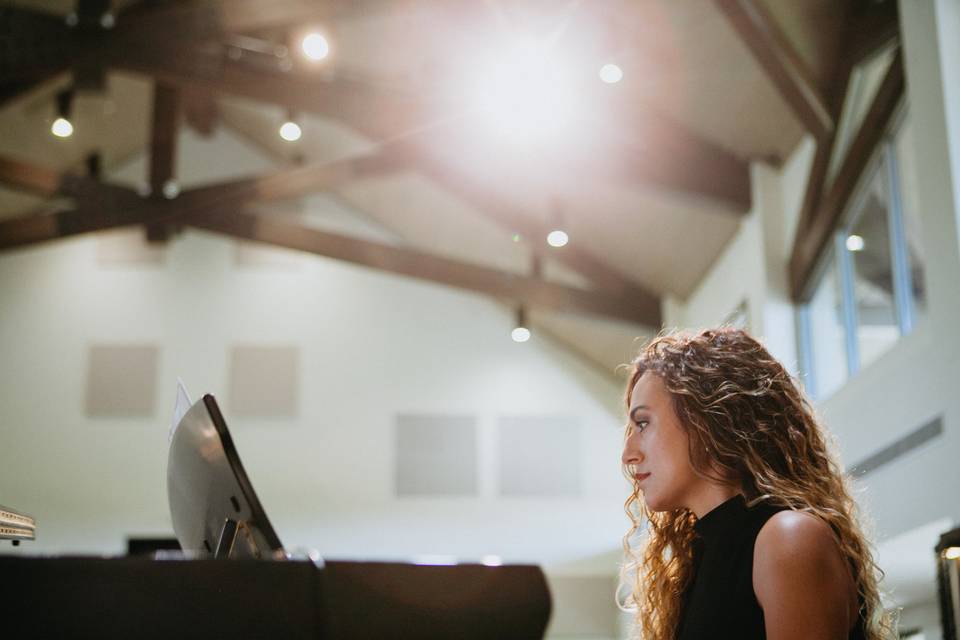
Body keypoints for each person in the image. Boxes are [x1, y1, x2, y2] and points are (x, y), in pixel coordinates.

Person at [619, 328, 893, 640]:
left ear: (708, 418)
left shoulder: (788, 538)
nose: (628, 454)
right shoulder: (697, 561)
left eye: (642, 424)